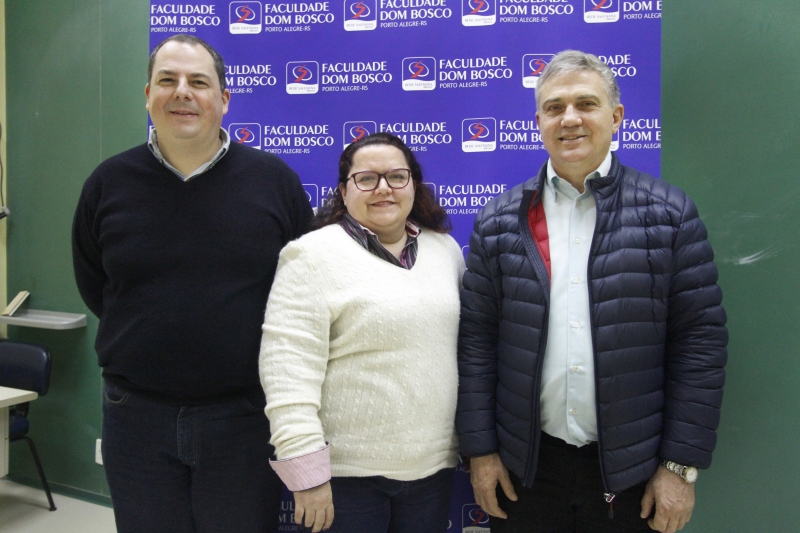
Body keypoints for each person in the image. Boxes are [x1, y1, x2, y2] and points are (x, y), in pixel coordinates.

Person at [456, 50, 728, 533]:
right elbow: (477, 342)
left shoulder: (669, 215)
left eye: (586, 103)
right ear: (538, 122)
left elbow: (699, 344)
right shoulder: (498, 221)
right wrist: (480, 451)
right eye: (554, 107)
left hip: (635, 472)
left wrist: (680, 466)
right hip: (526, 470)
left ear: (616, 116)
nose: (570, 119)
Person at [71, 35, 313, 533]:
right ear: (148, 95)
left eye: (198, 82)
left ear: (224, 99)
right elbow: (97, 284)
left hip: (244, 417)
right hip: (135, 418)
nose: (182, 91)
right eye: (167, 80)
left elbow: (302, 292)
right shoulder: (107, 183)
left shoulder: (275, 182)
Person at [259, 132, 464, 533]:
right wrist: (308, 474)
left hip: (433, 471)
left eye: (397, 176)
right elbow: (287, 373)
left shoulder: (446, 251)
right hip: (344, 479)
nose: (384, 188)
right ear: (344, 191)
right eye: (367, 178)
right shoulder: (310, 256)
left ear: (414, 185)